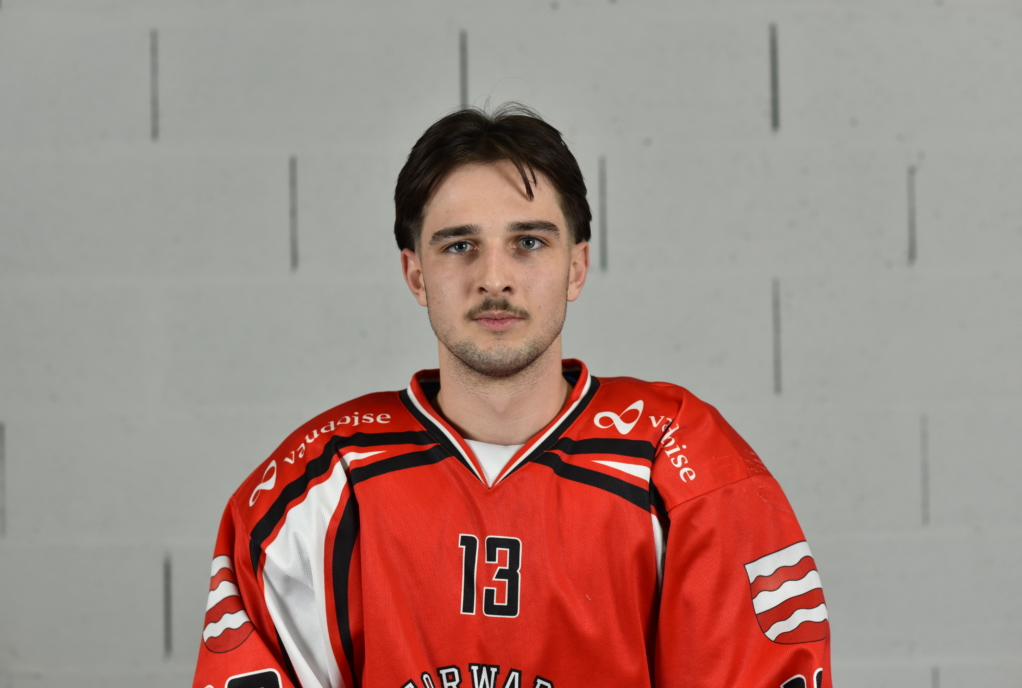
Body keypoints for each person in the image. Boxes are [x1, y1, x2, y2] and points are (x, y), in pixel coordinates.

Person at [192, 104, 832, 688]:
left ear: (576, 267)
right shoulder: (319, 483)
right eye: (459, 246)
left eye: (528, 243)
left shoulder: (683, 463)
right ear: (416, 274)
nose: (493, 278)